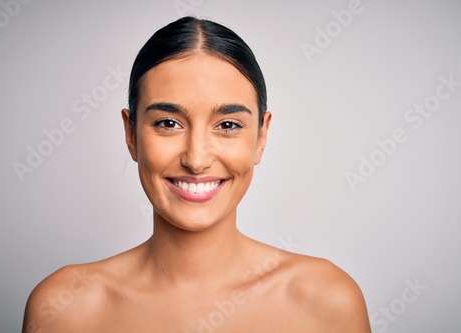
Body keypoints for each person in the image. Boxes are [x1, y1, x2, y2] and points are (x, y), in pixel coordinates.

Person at [22, 16, 371, 332]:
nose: (197, 159)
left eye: (229, 125)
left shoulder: (327, 302)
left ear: (261, 137)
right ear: (131, 135)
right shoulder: (64, 308)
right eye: (168, 123)